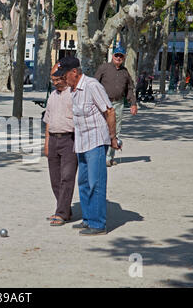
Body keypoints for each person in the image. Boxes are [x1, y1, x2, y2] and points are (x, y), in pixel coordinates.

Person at [54, 57, 119, 236]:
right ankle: (89, 218)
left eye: (64, 75)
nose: (62, 79)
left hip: (96, 141)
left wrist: (113, 138)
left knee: (95, 182)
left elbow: (110, 111)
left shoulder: (92, 86)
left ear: (74, 72)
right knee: (83, 182)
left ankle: (98, 224)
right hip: (81, 142)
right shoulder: (73, 90)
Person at [43, 62, 78, 226]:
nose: (55, 82)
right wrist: (46, 143)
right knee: (55, 179)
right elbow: (48, 121)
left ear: (65, 77)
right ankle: (64, 209)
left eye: (58, 79)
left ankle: (61, 213)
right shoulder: (52, 96)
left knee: (67, 177)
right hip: (53, 139)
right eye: (53, 80)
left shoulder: (73, 94)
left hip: (69, 139)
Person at [94, 46, 137, 167]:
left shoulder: (125, 72)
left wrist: (133, 103)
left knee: (116, 130)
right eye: (116, 55)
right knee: (102, 129)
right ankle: (100, 156)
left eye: (121, 56)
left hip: (118, 104)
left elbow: (129, 89)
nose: (118, 58)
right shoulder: (104, 68)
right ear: (112, 56)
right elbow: (94, 84)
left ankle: (109, 157)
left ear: (124, 58)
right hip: (103, 103)